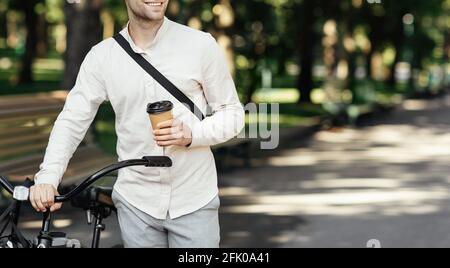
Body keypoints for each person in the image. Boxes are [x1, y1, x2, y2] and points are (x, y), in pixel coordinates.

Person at [30, 0, 245, 248]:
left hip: (194, 199)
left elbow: (232, 113)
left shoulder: (200, 45)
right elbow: (71, 121)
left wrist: (192, 134)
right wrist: (48, 178)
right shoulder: (102, 57)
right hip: (136, 203)